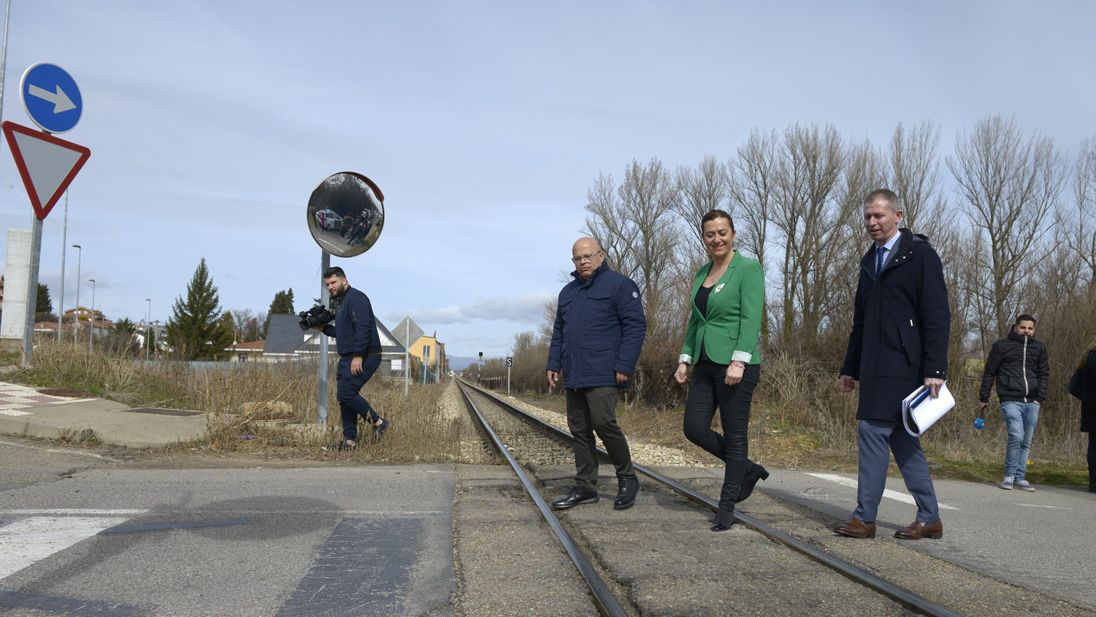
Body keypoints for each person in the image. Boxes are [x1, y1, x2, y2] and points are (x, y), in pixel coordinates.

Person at [834, 188, 950, 541]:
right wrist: (850, 367)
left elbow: (937, 315)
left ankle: (864, 518)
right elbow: (861, 321)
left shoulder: (920, 256)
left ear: (898, 216)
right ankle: (930, 518)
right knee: (903, 439)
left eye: (879, 215)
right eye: (867, 216)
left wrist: (936, 369)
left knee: (872, 431)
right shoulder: (869, 262)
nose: (872, 222)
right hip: (873, 366)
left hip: (905, 364)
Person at [674, 210, 768, 532]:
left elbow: (750, 318)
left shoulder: (748, 268)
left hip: (736, 366)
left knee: (735, 433)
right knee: (694, 428)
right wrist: (685, 358)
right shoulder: (702, 273)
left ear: (733, 234)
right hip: (704, 362)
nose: (717, 239)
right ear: (704, 237)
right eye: (710, 234)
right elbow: (695, 321)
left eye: (722, 232)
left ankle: (726, 505)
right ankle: (748, 469)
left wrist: (739, 360)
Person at [546, 237, 646, 511]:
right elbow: (559, 332)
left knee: (603, 422)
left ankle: (628, 478)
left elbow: (635, 326)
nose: (583, 262)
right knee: (579, 429)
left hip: (605, 370)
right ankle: (586, 487)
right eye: (578, 258)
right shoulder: (568, 293)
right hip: (575, 372)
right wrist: (553, 364)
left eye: (588, 256)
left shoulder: (620, 285)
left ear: (601, 256)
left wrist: (625, 365)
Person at [319, 266, 390, 448]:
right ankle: (349, 441)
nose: (330, 287)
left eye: (333, 282)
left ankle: (379, 423)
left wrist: (358, 355)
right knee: (344, 397)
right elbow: (342, 333)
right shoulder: (343, 303)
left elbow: (363, 327)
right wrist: (321, 327)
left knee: (347, 393)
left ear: (344, 280)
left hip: (366, 354)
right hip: (348, 356)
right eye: (327, 284)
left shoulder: (356, 298)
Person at [978, 314, 1049, 491]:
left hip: (1033, 400)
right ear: (1016, 327)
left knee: (1026, 440)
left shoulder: (1039, 348)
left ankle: (1020, 477)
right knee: (1016, 435)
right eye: (1023, 327)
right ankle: (1009, 476)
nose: (1026, 331)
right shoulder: (1001, 346)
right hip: (1010, 398)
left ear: (1034, 330)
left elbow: (1044, 374)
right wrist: (983, 397)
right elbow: (989, 372)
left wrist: (1040, 398)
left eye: (1030, 328)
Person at [1072, 340, 1096, 493]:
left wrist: (1088, 400)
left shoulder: (1088, 357)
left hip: (1091, 411)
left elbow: (1073, 386)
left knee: (1094, 448)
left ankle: (1094, 483)